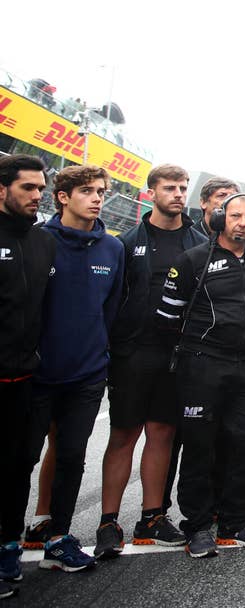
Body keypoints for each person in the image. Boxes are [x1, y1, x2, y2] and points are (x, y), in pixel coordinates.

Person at [96, 164, 209, 559]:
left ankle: (152, 516)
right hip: (133, 351)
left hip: (176, 355)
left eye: (182, 188)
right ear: (152, 192)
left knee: (162, 433)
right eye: (170, 187)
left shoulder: (199, 241)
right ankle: (108, 521)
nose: (178, 194)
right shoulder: (126, 242)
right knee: (124, 434)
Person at [157, 192, 245, 557]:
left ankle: (235, 519)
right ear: (222, 218)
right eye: (235, 216)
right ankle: (197, 525)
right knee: (199, 445)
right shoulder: (193, 260)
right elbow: (166, 318)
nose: (242, 223)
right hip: (202, 362)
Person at [22, 166, 124, 572]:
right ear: (62, 197)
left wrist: (100, 356)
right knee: (19, 459)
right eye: (86, 191)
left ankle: (60, 538)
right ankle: (9, 542)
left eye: (100, 191)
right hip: (35, 374)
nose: (96, 198)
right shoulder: (37, 240)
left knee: (71, 457)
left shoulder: (112, 249)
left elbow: (111, 311)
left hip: (87, 375)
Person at [0, 155, 55, 594]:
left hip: (24, 380)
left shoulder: (42, 242)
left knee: (19, 467)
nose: (37, 196)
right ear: (2, 190)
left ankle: (7, 547)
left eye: (40, 188)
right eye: (27, 189)